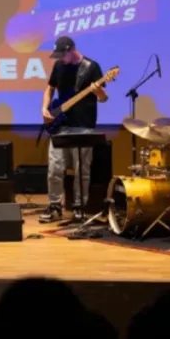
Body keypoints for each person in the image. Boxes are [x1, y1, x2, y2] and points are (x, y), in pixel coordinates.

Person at [40, 36, 108, 222]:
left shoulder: (91, 67)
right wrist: (45, 108)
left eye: (62, 55)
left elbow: (103, 98)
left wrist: (97, 90)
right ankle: (54, 206)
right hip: (60, 125)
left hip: (83, 126)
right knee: (54, 168)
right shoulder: (59, 66)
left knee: (81, 170)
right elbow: (50, 88)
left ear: (71, 50)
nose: (60, 59)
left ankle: (79, 206)